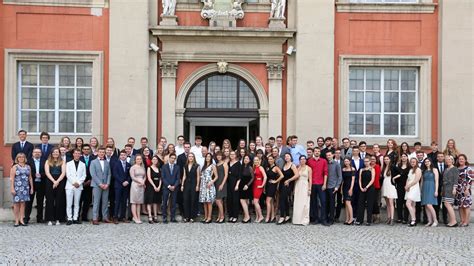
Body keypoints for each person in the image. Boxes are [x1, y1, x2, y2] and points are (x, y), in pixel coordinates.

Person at [10, 153, 33, 227]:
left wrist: (32, 188)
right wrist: (12, 188)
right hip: (17, 188)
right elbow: (12, 179)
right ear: (17, 158)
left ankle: (21, 219)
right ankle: (16, 220)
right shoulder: (15, 167)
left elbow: (30, 178)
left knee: (23, 204)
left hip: (25, 188)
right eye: (19, 157)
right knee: (16, 204)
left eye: (22, 157)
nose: (21, 158)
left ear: (25, 158)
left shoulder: (28, 167)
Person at [44, 148, 66, 225]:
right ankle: (49, 219)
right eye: (54, 152)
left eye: (57, 152)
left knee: (59, 200)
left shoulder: (62, 161)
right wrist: (53, 181)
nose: (55, 153)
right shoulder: (47, 161)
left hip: (60, 181)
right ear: (51, 153)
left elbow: (63, 173)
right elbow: (47, 172)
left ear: (59, 153)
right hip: (50, 181)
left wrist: (57, 181)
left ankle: (58, 219)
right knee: (49, 200)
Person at [307, 147, 329, 226]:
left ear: (320, 152)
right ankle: (316, 218)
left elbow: (325, 173)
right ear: (313, 152)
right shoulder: (309, 161)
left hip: (321, 184)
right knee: (314, 202)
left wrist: (325, 184)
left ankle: (323, 219)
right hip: (312, 184)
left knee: (323, 202)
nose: (317, 152)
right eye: (315, 151)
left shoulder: (324, 161)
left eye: (318, 151)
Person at [90, 147, 112, 225]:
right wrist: (100, 184)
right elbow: (93, 174)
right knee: (96, 202)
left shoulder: (106, 162)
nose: (102, 153)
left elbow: (109, 174)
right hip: (96, 185)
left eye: (103, 152)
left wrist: (108, 184)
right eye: (100, 152)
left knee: (105, 202)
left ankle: (105, 217)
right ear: (97, 152)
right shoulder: (93, 162)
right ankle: (95, 218)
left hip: (106, 185)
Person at [65, 149, 86, 225]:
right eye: (75, 153)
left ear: (80, 155)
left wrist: (79, 183)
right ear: (73, 154)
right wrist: (74, 183)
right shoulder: (68, 163)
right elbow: (68, 174)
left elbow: (84, 175)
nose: (77, 154)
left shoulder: (83, 164)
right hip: (70, 186)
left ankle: (75, 218)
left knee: (77, 203)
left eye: (78, 153)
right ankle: (69, 218)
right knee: (69, 203)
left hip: (79, 186)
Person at [24, 148, 45, 224]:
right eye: (35, 152)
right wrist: (34, 175)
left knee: (40, 202)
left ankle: (39, 218)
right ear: (32, 153)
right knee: (29, 202)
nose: (37, 153)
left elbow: (46, 171)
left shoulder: (44, 161)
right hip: (31, 184)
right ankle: (26, 218)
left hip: (41, 184)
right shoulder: (28, 161)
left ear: (41, 154)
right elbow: (26, 172)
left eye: (39, 152)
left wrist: (41, 175)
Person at [278, 153, 299, 225]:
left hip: (288, 185)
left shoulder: (292, 165)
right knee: (285, 200)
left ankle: (282, 217)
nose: (286, 157)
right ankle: (287, 215)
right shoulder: (284, 165)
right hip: (282, 184)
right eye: (285, 156)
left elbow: (297, 175)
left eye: (288, 156)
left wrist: (289, 180)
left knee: (282, 200)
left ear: (291, 157)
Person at [111, 150, 131, 224]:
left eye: (124, 155)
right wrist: (122, 181)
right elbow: (115, 174)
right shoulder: (116, 164)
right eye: (121, 155)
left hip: (126, 186)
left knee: (124, 201)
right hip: (118, 185)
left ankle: (122, 217)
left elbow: (129, 175)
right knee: (117, 201)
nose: (123, 156)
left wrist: (127, 181)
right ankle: (115, 217)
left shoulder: (129, 165)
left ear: (126, 156)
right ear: (119, 156)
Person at [355, 158, 375, 226]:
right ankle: (359, 220)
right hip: (362, 188)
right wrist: (361, 187)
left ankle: (368, 220)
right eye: (365, 161)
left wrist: (367, 187)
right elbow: (360, 179)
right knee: (360, 203)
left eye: (367, 161)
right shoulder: (361, 170)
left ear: (370, 162)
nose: (366, 163)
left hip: (370, 188)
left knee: (370, 204)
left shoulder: (372, 169)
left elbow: (372, 180)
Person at [181, 153, 200, 223]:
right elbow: (184, 176)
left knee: (193, 200)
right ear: (188, 158)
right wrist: (182, 185)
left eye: (192, 156)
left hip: (194, 184)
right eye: (189, 156)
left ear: (194, 157)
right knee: (186, 200)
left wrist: (197, 185)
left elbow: (198, 176)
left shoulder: (197, 166)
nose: (191, 157)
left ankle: (192, 217)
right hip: (186, 184)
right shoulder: (185, 166)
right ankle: (186, 216)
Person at [293, 155, 312, 226]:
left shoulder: (309, 168)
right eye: (301, 159)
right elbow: (295, 178)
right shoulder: (298, 168)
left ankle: (304, 219)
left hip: (305, 185)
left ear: (306, 160)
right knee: (298, 202)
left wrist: (310, 188)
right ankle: (297, 220)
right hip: (298, 185)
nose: (302, 160)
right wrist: (294, 188)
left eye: (304, 159)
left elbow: (310, 179)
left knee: (305, 203)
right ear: (299, 160)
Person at [199, 153, 217, 223]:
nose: (207, 158)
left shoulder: (213, 166)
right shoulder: (203, 166)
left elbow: (216, 176)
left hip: (209, 185)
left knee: (209, 202)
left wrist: (211, 182)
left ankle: (209, 218)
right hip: (203, 185)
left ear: (211, 158)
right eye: (206, 157)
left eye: (209, 156)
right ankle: (205, 217)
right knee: (204, 202)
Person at [162, 153, 180, 223]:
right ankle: (164, 218)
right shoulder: (164, 167)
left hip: (174, 188)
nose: (173, 159)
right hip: (166, 187)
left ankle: (173, 218)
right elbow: (163, 178)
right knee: (165, 203)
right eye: (171, 158)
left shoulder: (177, 167)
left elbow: (178, 178)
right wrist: (169, 186)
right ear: (169, 158)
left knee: (173, 203)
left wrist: (174, 186)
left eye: (174, 158)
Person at [264, 154, 283, 223]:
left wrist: (275, 181)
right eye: (269, 159)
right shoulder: (267, 167)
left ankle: (267, 217)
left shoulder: (276, 168)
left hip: (272, 186)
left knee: (267, 201)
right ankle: (272, 216)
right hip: (267, 185)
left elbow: (282, 176)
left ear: (274, 160)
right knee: (271, 202)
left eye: (271, 159)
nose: (270, 160)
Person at [455, 154, 473, 227]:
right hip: (458, 190)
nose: (461, 160)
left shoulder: (468, 169)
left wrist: (467, 189)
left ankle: (466, 221)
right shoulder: (457, 168)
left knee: (466, 205)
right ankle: (462, 220)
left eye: (462, 159)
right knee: (460, 206)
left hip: (465, 189)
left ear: (465, 160)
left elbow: (471, 179)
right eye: (459, 159)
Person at [442, 155, 460, 227]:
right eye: (446, 160)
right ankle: (451, 220)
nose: (448, 161)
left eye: (449, 159)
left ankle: (454, 221)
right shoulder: (446, 169)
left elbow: (456, 180)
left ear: (452, 160)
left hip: (451, 188)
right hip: (445, 188)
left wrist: (454, 188)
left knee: (447, 204)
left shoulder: (455, 169)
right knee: (448, 205)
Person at [79, 144, 96, 222]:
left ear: (90, 150)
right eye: (84, 149)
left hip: (90, 182)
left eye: (87, 149)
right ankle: (77, 216)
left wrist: (91, 180)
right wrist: (82, 182)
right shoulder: (79, 158)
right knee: (79, 200)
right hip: (80, 183)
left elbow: (95, 170)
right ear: (82, 150)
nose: (86, 150)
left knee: (87, 201)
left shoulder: (93, 158)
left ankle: (84, 217)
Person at [381, 155, 400, 225]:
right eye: (385, 159)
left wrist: (394, 178)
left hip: (390, 185)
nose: (386, 160)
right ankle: (388, 218)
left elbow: (400, 173)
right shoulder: (384, 167)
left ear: (390, 159)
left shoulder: (393, 166)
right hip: (385, 185)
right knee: (388, 203)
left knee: (391, 203)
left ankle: (392, 219)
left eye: (387, 159)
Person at [421, 158, 439, 227]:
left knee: (429, 205)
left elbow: (436, 181)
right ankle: (429, 221)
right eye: (425, 162)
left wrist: (436, 190)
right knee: (426, 205)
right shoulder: (424, 171)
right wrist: (420, 190)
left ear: (431, 162)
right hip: (425, 188)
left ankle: (435, 220)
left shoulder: (435, 170)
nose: (427, 163)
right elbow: (422, 182)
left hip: (432, 187)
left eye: (428, 161)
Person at [325, 151, 342, 225]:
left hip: (333, 187)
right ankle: (326, 217)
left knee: (332, 204)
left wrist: (337, 186)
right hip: (325, 186)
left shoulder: (337, 164)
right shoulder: (325, 164)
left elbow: (340, 177)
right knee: (326, 203)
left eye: (329, 155)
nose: (328, 156)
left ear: (333, 155)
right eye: (327, 155)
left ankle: (331, 219)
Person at [145, 156, 162, 224]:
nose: (155, 160)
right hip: (151, 186)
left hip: (158, 186)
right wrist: (154, 186)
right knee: (150, 201)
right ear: (151, 160)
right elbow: (149, 178)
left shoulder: (159, 168)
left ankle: (155, 216)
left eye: (156, 159)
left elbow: (161, 178)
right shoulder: (149, 168)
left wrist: (159, 186)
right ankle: (150, 216)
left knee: (155, 201)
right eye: (153, 159)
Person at [129, 154, 146, 224]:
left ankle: (138, 217)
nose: (139, 160)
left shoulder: (143, 167)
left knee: (139, 202)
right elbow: (132, 177)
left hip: (141, 185)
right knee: (134, 201)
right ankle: (135, 217)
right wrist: (140, 181)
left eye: (140, 159)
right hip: (135, 185)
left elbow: (145, 176)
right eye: (137, 159)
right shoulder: (133, 167)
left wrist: (143, 182)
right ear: (135, 160)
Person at [405, 158, 422, 226]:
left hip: (414, 187)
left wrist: (409, 186)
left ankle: (413, 219)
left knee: (408, 203)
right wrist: (406, 186)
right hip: (409, 187)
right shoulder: (410, 170)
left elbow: (416, 180)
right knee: (412, 205)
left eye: (414, 162)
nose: (412, 163)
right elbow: (408, 179)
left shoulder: (418, 169)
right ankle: (413, 220)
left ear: (416, 162)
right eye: (411, 162)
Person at [394, 153, 410, 224]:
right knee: (399, 202)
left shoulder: (410, 166)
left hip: (407, 186)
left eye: (405, 156)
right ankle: (400, 218)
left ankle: (406, 218)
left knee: (406, 202)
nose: (403, 157)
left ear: (407, 157)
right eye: (402, 156)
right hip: (399, 186)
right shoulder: (398, 166)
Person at [238, 155, 254, 223]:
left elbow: (253, 178)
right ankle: (246, 216)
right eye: (245, 158)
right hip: (241, 185)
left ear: (249, 160)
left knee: (242, 200)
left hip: (247, 186)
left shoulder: (250, 168)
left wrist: (247, 185)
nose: (246, 159)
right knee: (245, 201)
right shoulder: (241, 167)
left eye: (247, 159)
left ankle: (247, 216)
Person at [227, 151, 241, 223]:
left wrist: (237, 185)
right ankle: (231, 216)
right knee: (229, 200)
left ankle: (235, 216)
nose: (231, 155)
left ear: (235, 155)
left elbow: (239, 176)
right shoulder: (228, 163)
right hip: (229, 184)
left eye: (233, 154)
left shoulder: (238, 163)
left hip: (235, 184)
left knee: (235, 200)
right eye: (230, 154)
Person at [252, 156, 267, 223]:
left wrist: (262, 185)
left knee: (255, 201)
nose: (256, 161)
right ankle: (257, 217)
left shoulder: (261, 167)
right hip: (254, 185)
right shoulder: (254, 167)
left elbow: (265, 177)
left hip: (258, 185)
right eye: (255, 160)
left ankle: (261, 216)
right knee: (256, 202)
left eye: (257, 160)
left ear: (259, 161)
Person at [433, 152, 447, 224]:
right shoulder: (434, 166)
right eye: (439, 156)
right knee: (436, 204)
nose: (440, 157)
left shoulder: (447, 166)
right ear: (437, 158)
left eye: (442, 156)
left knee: (445, 204)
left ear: (443, 157)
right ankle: (436, 218)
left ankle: (445, 219)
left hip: (445, 188)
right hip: (436, 188)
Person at [214, 152, 228, 223]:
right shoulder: (216, 164)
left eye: (220, 155)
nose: (218, 157)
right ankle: (219, 216)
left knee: (218, 200)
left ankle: (222, 216)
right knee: (220, 201)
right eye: (217, 156)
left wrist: (222, 184)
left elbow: (226, 175)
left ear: (222, 156)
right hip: (217, 183)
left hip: (222, 183)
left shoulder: (224, 163)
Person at [341, 158, 355, 225]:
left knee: (348, 202)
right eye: (345, 161)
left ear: (350, 162)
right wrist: (341, 188)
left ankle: (351, 218)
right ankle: (347, 218)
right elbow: (343, 180)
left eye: (347, 161)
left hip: (350, 187)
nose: (346, 162)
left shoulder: (353, 169)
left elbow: (353, 180)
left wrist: (351, 189)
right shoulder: (343, 169)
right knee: (346, 204)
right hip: (344, 187)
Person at [370, 155, 382, 224]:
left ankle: (377, 216)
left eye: (374, 159)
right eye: (371, 159)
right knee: (371, 201)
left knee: (375, 202)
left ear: (376, 160)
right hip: (369, 186)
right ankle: (372, 216)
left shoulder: (377, 166)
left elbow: (377, 177)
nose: (372, 161)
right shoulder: (368, 166)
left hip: (375, 186)